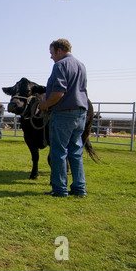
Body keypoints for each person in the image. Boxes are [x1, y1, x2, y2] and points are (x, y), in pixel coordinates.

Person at [38, 39, 89, 198]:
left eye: (52, 53)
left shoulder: (60, 66)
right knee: (76, 151)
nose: (51, 57)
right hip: (80, 112)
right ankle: (79, 188)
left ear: (60, 50)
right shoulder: (81, 65)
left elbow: (59, 92)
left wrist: (45, 104)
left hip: (64, 113)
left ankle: (60, 189)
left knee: (58, 151)